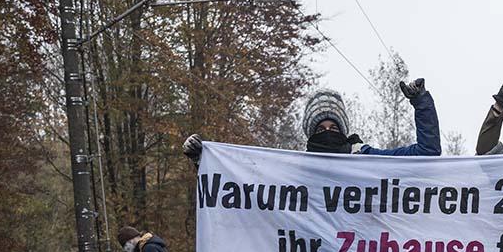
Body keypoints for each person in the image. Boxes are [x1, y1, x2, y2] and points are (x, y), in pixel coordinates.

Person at [182, 79, 441, 165]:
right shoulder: (295, 168)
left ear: (344, 130)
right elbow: (237, 193)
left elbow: (427, 153)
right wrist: (204, 160)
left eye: (334, 127)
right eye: (320, 128)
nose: (328, 132)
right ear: (309, 132)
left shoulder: (366, 160)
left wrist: (421, 103)